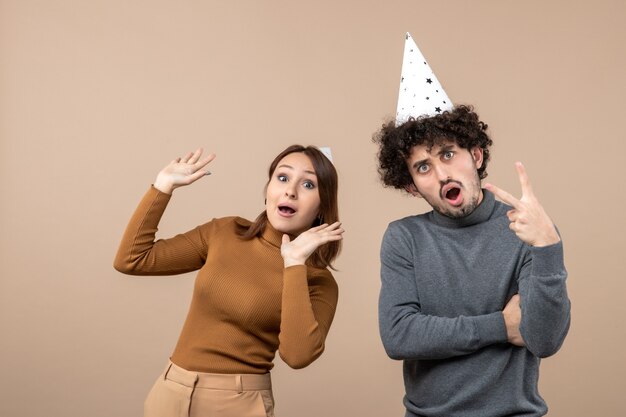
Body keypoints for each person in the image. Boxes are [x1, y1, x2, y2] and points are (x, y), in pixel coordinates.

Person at [114, 145, 343, 417]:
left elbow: (297, 356)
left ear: (322, 206)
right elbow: (132, 259)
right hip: (170, 393)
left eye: (308, 184)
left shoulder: (318, 281)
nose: (290, 191)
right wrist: (162, 188)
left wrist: (294, 263)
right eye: (282, 178)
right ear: (268, 190)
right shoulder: (225, 232)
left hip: (238, 404)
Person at [374, 105, 571, 417]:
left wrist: (548, 247)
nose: (442, 174)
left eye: (448, 154)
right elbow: (399, 336)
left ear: (476, 156)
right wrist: (501, 326)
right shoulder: (404, 238)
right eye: (423, 167)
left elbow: (544, 340)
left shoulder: (527, 232)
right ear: (412, 186)